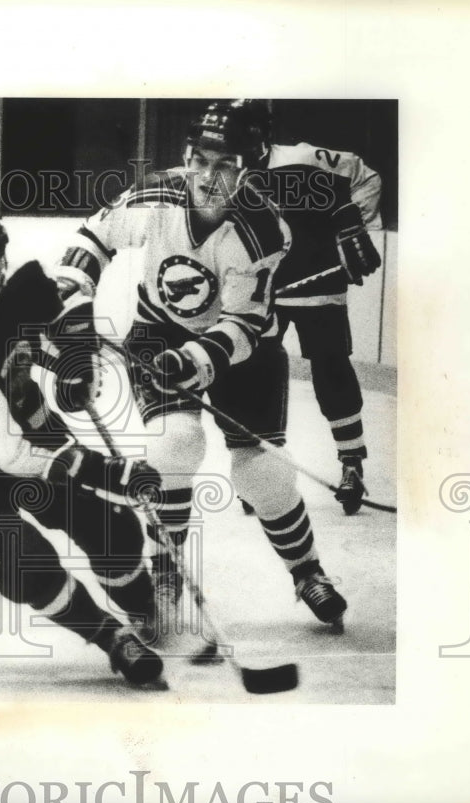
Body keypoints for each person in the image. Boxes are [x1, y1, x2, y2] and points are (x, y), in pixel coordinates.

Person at [51, 99, 348, 635]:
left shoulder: (264, 230)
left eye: (226, 164)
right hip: (158, 331)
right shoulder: (155, 196)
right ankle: (165, 569)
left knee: (262, 472)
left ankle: (307, 571)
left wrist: (194, 359)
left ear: (249, 168)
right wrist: (74, 302)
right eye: (201, 160)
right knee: (174, 443)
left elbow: (242, 324)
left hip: (244, 353)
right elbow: (92, 239)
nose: (208, 177)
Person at [0, 209, 165, 687]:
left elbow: (65, 303)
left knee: (110, 526)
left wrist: (73, 365)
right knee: (17, 555)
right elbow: (12, 456)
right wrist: (109, 474)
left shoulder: (12, 293)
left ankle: (145, 605)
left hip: (12, 425)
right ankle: (110, 637)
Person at [244, 101, 383, 515]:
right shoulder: (217, 172)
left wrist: (352, 222)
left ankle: (352, 462)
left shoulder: (305, 158)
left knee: (331, 368)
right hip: (258, 288)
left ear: (261, 137)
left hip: (317, 280)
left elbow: (366, 175)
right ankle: (256, 467)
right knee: (255, 370)